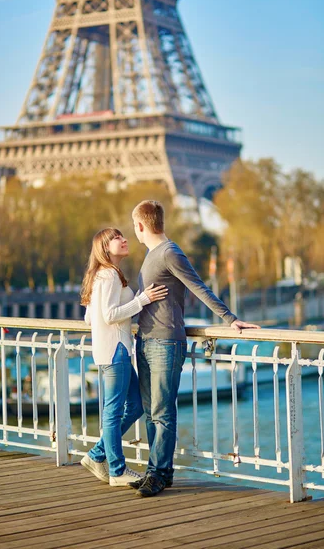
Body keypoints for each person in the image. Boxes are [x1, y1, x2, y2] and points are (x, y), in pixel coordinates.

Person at [129, 200, 260, 497]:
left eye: (133, 226)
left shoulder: (170, 253)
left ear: (140, 225)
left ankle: (159, 473)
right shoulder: (151, 255)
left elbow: (199, 287)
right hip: (146, 340)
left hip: (165, 341)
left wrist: (230, 319)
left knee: (162, 412)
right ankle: (157, 469)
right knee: (151, 412)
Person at [80, 227, 168, 487]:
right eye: (116, 238)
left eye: (122, 236)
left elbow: (90, 318)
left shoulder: (102, 275)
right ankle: (117, 470)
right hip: (115, 350)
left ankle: (97, 454)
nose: (124, 239)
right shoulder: (107, 275)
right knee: (114, 410)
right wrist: (142, 300)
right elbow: (108, 315)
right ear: (105, 248)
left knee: (136, 405)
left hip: (112, 349)